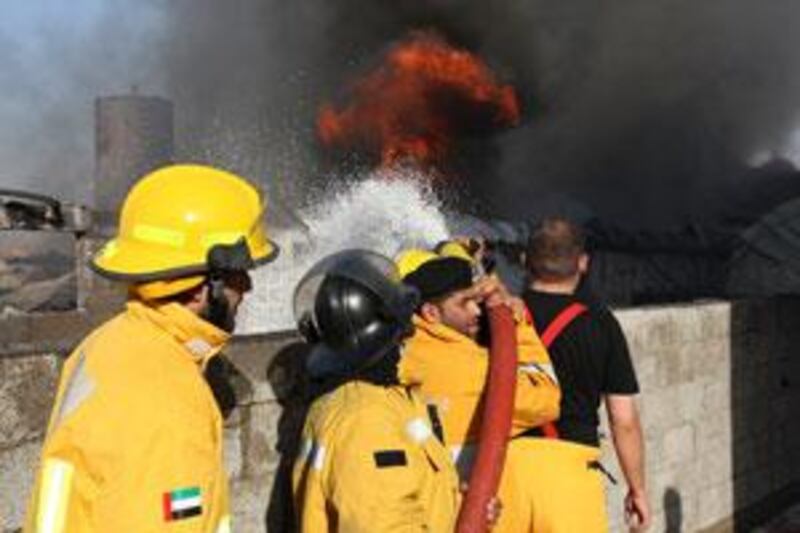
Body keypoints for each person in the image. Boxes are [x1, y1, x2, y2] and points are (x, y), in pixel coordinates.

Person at [24, 164, 278, 533]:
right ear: (199, 288)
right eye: (240, 275)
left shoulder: (107, 344)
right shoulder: (170, 401)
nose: (248, 288)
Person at [291, 249, 462, 532]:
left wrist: (457, 506)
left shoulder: (373, 399)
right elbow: (384, 520)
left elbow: (402, 493)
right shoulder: (367, 420)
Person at [395, 242, 561, 533]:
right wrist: (518, 324)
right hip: (457, 516)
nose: (477, 311)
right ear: (431, 312)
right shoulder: (471, 368)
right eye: (464, 303)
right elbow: (545, 397)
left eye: (476, 300)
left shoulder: (400, 350)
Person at [520, 216, 651, 532]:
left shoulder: (497, 317)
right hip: (572, 470)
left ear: (524, 261)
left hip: (506, 471)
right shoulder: (601, 324)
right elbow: (624, 420)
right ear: (582, 263)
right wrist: (637, 489)